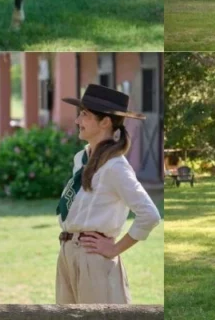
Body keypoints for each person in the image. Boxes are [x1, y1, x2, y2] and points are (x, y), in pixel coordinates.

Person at [56, 84, 162, 304]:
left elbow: (150, 215)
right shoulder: (81, 158)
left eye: (84, 115)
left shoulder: (115, 167)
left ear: (105, 122)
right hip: (67, 253)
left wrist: (114, 249)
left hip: (92, 258)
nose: (77, 121)